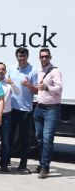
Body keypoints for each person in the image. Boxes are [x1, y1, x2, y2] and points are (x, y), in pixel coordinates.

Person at [31, 48, 62, 179]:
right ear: (39, 58)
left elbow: (59, 88)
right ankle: (41, 163)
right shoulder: (39, 71)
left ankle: (45, 167)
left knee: (47, 138)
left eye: (46, 56)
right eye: (42, 57)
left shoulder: (55, 71)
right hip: (39, 108)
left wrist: (47, 87)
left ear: (50, 57)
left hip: (51, 109)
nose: (44, 59)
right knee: (39, 138)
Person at [7, 47, 37, 172]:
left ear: (27, 57)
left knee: (25, 138)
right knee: (8, 136)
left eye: (24, 56)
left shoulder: (33, 71)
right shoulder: (11, 68)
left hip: (25, 109)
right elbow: (6, 84)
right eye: (20, 56)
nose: (22, 58)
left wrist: (28, 85)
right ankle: (6, 160)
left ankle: (23, 163)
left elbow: (37, 90)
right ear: (17, 57)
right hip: (11, 108)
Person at [0, 63, 18, 172]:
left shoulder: (8, 84)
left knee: (6, 141)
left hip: (6, 115)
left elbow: (18, 92)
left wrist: (12, 83)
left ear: (5, 71)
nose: (0, 71)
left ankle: (4, 163)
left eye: (3, 69)